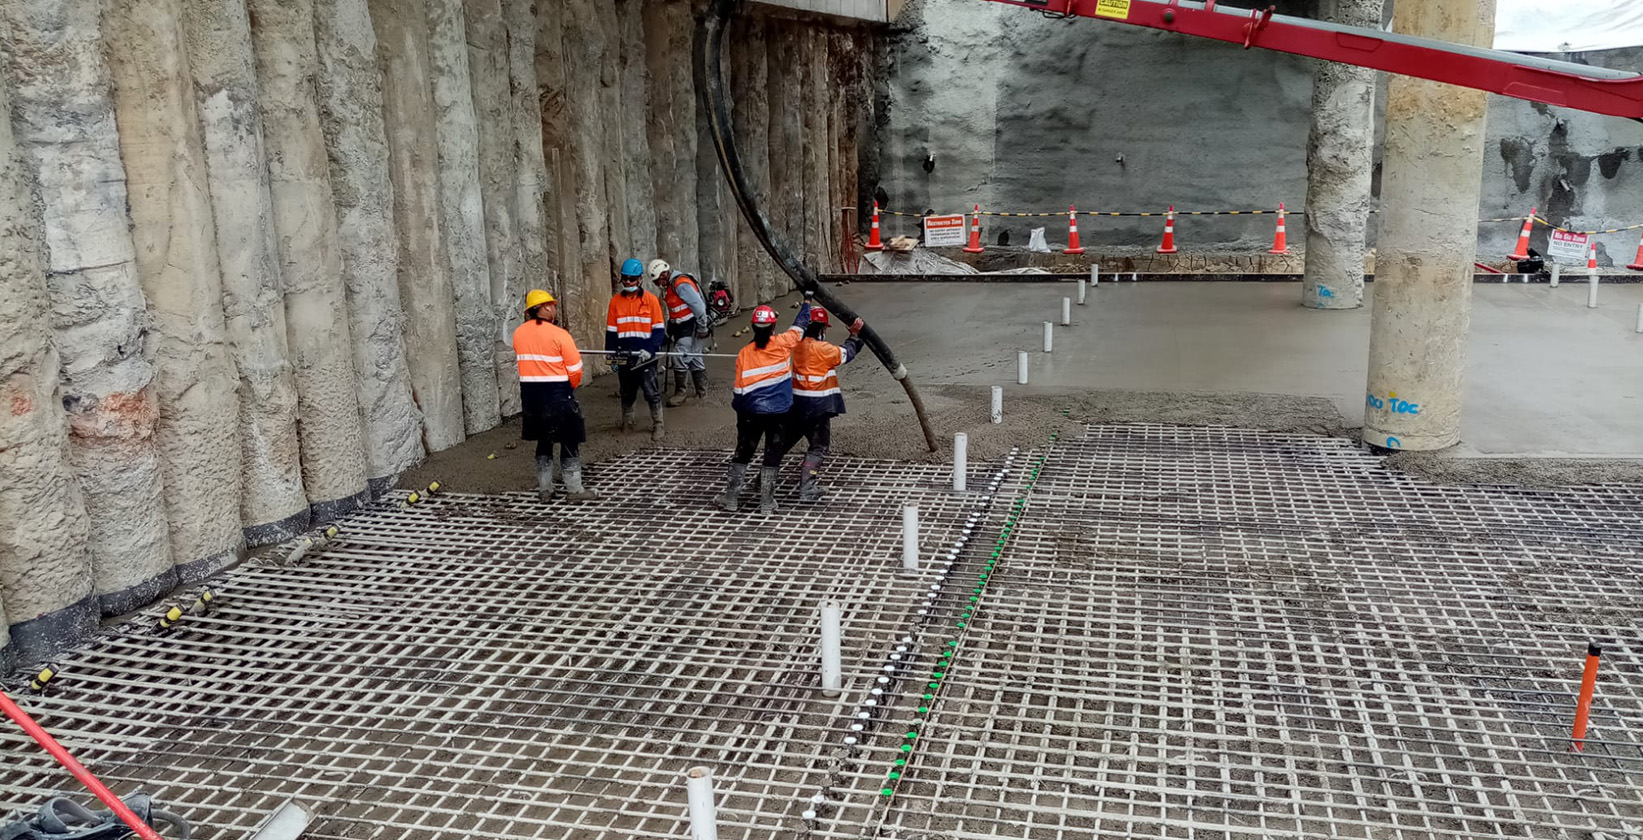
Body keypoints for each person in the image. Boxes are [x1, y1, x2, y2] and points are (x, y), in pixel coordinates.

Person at [715, 300, 811, 514]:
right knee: (772, 453)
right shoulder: (783, 343)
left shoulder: (744, 353)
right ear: (773, 327)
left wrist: (742, 414)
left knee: (743, 451)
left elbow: (739, 390)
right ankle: (766, 502)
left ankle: (731, 498)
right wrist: (806, 302)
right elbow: (800, 325)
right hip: (778, 412)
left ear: (752, 326)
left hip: (750, 413)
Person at [513, 290, 596, 501]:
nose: (555, 309)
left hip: (531, 396)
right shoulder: (560, 335)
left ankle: (545, 489)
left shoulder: (519, 334)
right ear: (546, 307)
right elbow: (576, 369)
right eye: (553, 305)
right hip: (557, 393)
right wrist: (570, 388)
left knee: (543, 440)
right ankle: (575, 490)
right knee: (570, 439)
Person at [782, 307, 865, 502]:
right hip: (818, 406)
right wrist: (854, 336)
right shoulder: (823, 349)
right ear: (822, 329)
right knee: (819, 446)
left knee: (783, 443)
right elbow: (846, 354)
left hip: (795, 403)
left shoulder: (796, 345)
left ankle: (762, 481)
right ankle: (807, 488)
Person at [605, 257, 667, 441]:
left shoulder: (651, 301)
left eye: (631, 279)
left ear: (640, 279)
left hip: (646, 355)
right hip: (625, 354)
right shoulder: (615, 302)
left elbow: (658, 331)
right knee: (627, 391)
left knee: (651, 391)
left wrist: (650, 349)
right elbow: (611, 332)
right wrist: (611, 357)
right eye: (624, 278)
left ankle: (658, 424)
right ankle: (627, 422)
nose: (628, 282)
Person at [647, 259, 711, 406]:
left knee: (679, 357)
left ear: (663, 275)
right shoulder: (672, 285)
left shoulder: (680, 285)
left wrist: (702, 328)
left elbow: (699, 308)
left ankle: (680, 393)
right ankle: (702, 393)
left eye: (657, 281)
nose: (657, 284)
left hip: (692, 327)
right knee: (694, 358)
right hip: (683, 327)